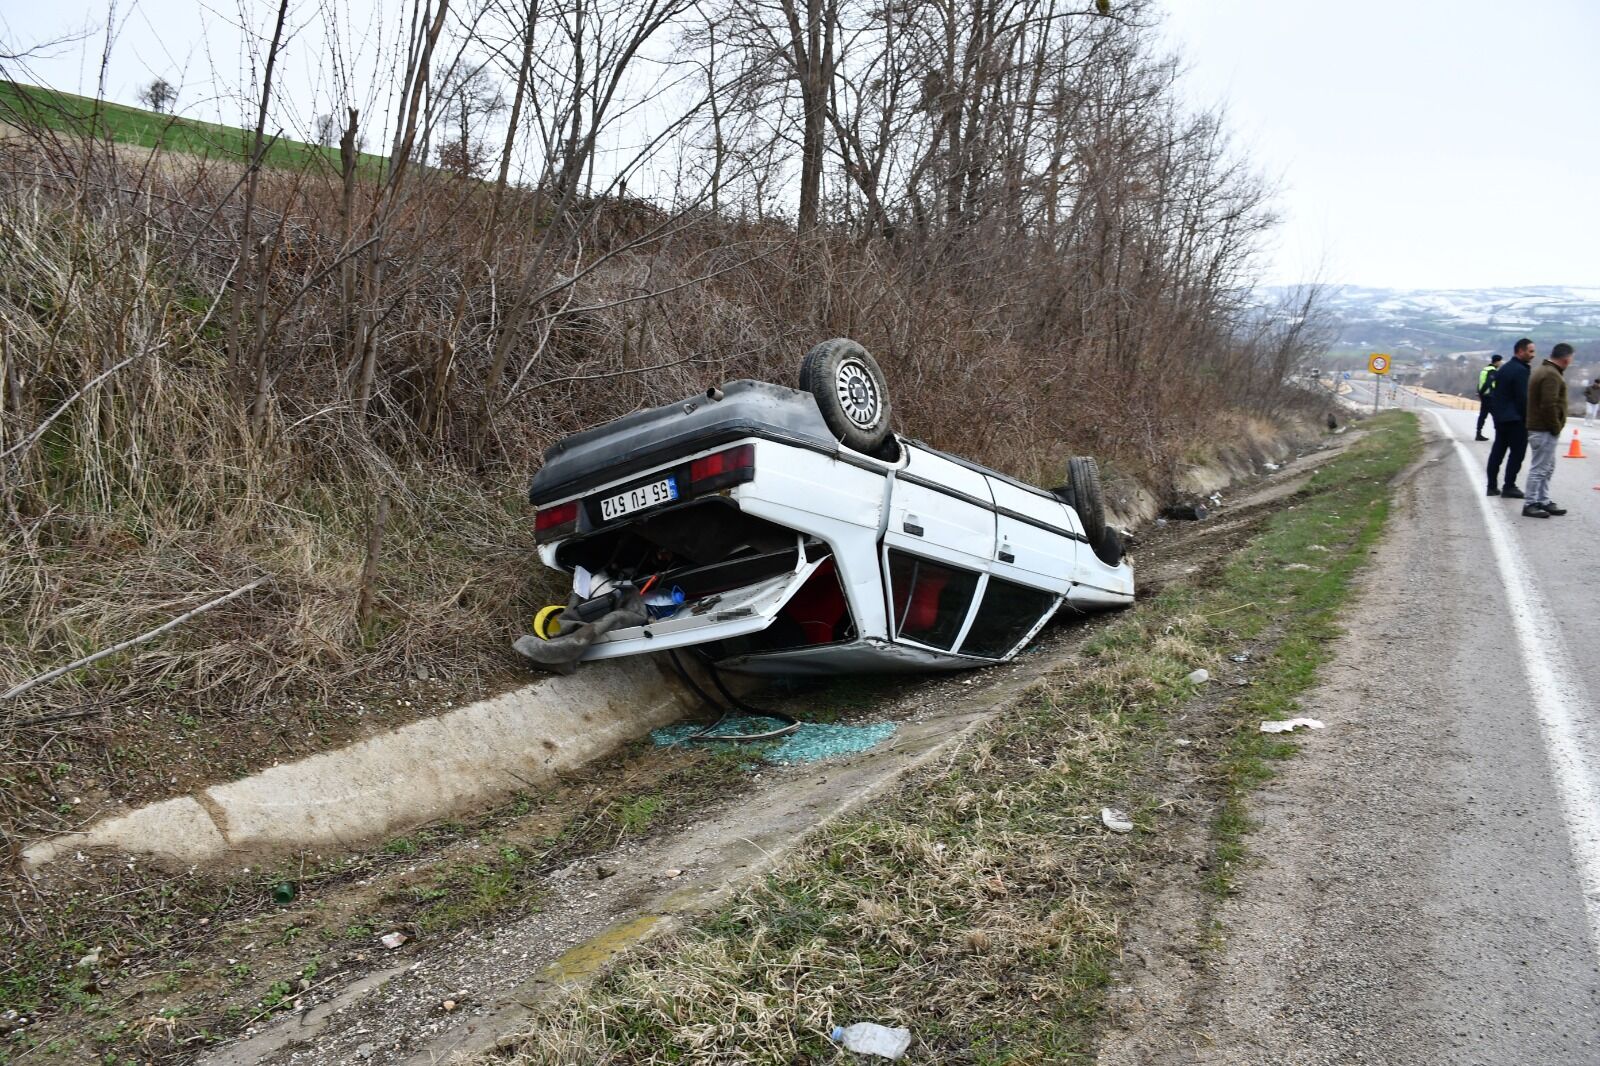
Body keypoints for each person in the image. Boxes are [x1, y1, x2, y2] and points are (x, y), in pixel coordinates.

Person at [1522, 343, 1574, 518]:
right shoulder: (1551, 375)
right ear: (1566, 358)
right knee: (1539, 469)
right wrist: (1555, 426)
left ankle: (1543, 500)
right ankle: (1530, 503)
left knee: (1548, 467)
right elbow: (1548, 404)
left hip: (1543, 428)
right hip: (1543, 429)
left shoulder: (1546, 370)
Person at [1486, 338, 1535, 498]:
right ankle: (1509, 486)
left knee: (1498, 452)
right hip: (1515, 419)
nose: (1533, 355)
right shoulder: (1520, 370)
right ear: (1520, 351)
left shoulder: (1504, 369)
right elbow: (1523, 398)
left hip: (1501, 418)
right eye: (1530, 351)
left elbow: (1496, 394)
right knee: (1517, 453)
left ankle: (1491, 486)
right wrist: (1527, 418)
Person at [1475, 354, 1502, 440]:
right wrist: (1482, 393)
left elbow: (1480, 382)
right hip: (1489, 396)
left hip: (1484, 396)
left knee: (1483, 415)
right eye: (1500, 361)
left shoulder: (1485, 369)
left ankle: (1478, 433)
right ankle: (1499, 435)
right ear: (1497, 361)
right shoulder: (1492, 371)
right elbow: (1488, 383)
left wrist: (1479, 392)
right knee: (1497, 415)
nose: (1500, 363)